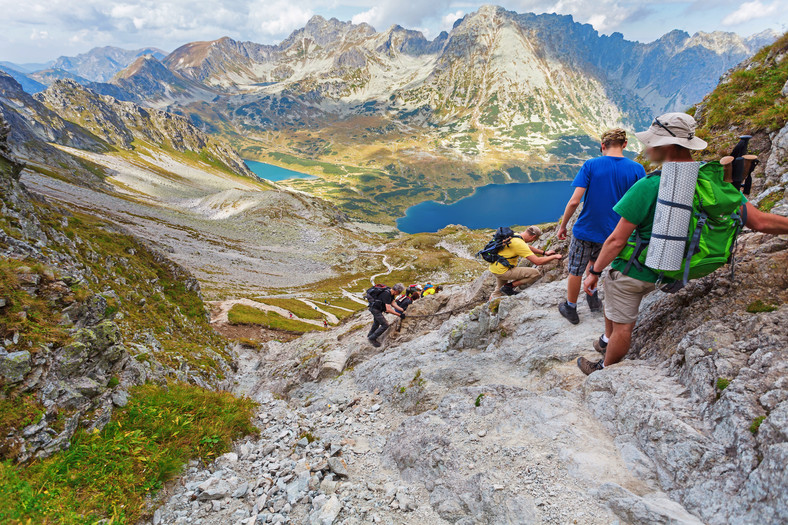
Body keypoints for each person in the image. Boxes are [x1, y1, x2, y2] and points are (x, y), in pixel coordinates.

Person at [578, 113, 788, 375]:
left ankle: (604, 367)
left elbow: (616, 240)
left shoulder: (649, 185)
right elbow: (760, 222)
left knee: (619, 310)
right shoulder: (712, 179)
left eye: (651, 142)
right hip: (679, 268)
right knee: (615, 297)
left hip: (636, 271)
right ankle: (606, 341)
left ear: (665, 146)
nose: (646, 147)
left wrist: (594, 272)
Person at [558, 128, 646, 325]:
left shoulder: (590, 165)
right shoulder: (637, 169)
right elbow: (639, 203)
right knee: (595, 265)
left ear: (602, 146)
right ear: (624, 145)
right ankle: (593, 298)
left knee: (575, 270)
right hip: (613, 234)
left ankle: (571, 308)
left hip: (585, 230)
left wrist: (563, 226)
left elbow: (574, 202)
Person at [489, 225, 562, 300]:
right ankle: (508, 287)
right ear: (533, 237)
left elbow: (527, 247)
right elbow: (537, 262)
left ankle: (489, 307)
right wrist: (554, 256)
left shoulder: (515, 235)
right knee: (535, 273)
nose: (532, 242)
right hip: (503, 270)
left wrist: (544, 253)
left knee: (498, 291)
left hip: (495, 267)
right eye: (533, 240)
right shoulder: (519, 244)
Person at [367, 283, 405, 348]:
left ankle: (370, 335)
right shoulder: (386, 294)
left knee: (376, 322)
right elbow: (388, 309)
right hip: (375, 309)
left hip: (376, 308)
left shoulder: (391, 293)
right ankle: (372, 338)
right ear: (397, 291)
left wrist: (402, 310)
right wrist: (399, 315)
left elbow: (393, 304)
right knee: (385, 325)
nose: (399, 294)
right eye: (399, 292)